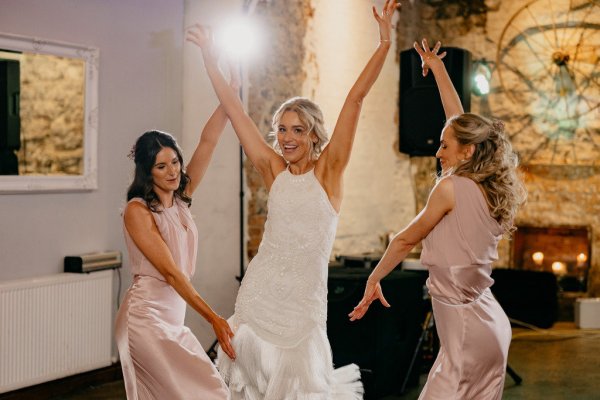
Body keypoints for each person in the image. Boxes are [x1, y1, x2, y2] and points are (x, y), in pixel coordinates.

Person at [186, 1, 400, 398]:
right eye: (282, 130)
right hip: (260, 290)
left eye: (297, 130)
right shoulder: (273, 171)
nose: (287, 138)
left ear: (314, 135)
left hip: (302, 304)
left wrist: (384, 42)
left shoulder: (329, 171)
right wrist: (208, 58)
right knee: (250, 387)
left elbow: (354, 101)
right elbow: (234, 111)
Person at [349, 38, 527, 400]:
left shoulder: (450, 188)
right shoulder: (486, 187)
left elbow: (404, 240)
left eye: (445, 145)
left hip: (465, 337)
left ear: (468, 151)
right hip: (487, 327)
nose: (437, 149)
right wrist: (440, 71)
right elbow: (456, 121)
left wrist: (374, 277)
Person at [115, 74, 240, 399]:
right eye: (161, 167)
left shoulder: (181, 195)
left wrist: (231, 94)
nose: (172, 171)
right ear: (147, 171)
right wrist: (213, 317)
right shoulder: (137, 211)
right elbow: (171, 273)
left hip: (173, 315)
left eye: (175, 162)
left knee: (208, 390)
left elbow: (208, 141)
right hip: (146, 319)